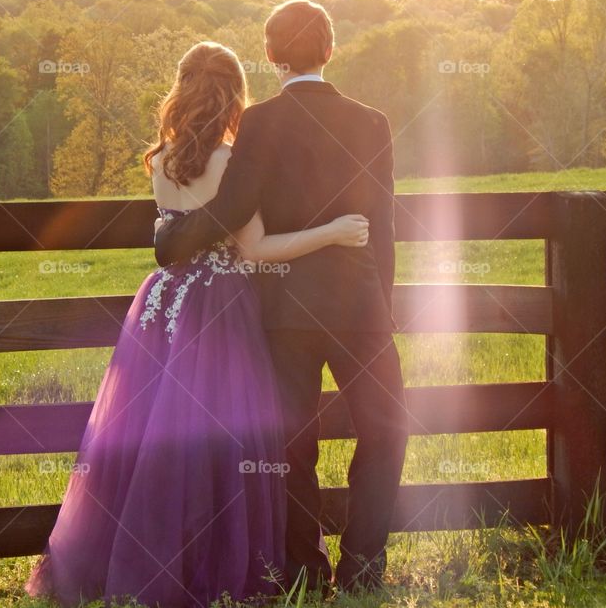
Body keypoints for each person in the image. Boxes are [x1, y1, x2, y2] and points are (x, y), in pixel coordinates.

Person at [25, 40, 371, 608]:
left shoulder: (161, 157)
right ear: (236, 93)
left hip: (164, 304)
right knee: (226, 438)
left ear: (182, 89)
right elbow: (255, 248)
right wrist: (332, 232)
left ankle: (137, 563)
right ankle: (217, 568)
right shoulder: (228, 161)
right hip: (221, 304)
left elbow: (174, 236)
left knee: (155, 437)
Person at [154, 0, 408, 591]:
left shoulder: (261, 123)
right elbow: (385, 224)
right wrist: (384, 306)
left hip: (284, 311)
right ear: (330, 51)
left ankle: (305, 570)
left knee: (292, 446)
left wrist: (172, 240)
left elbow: (233, 210)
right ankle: (364, 568)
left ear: (270, 55)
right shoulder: (372, 122)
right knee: (387, 430)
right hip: (360, 309)